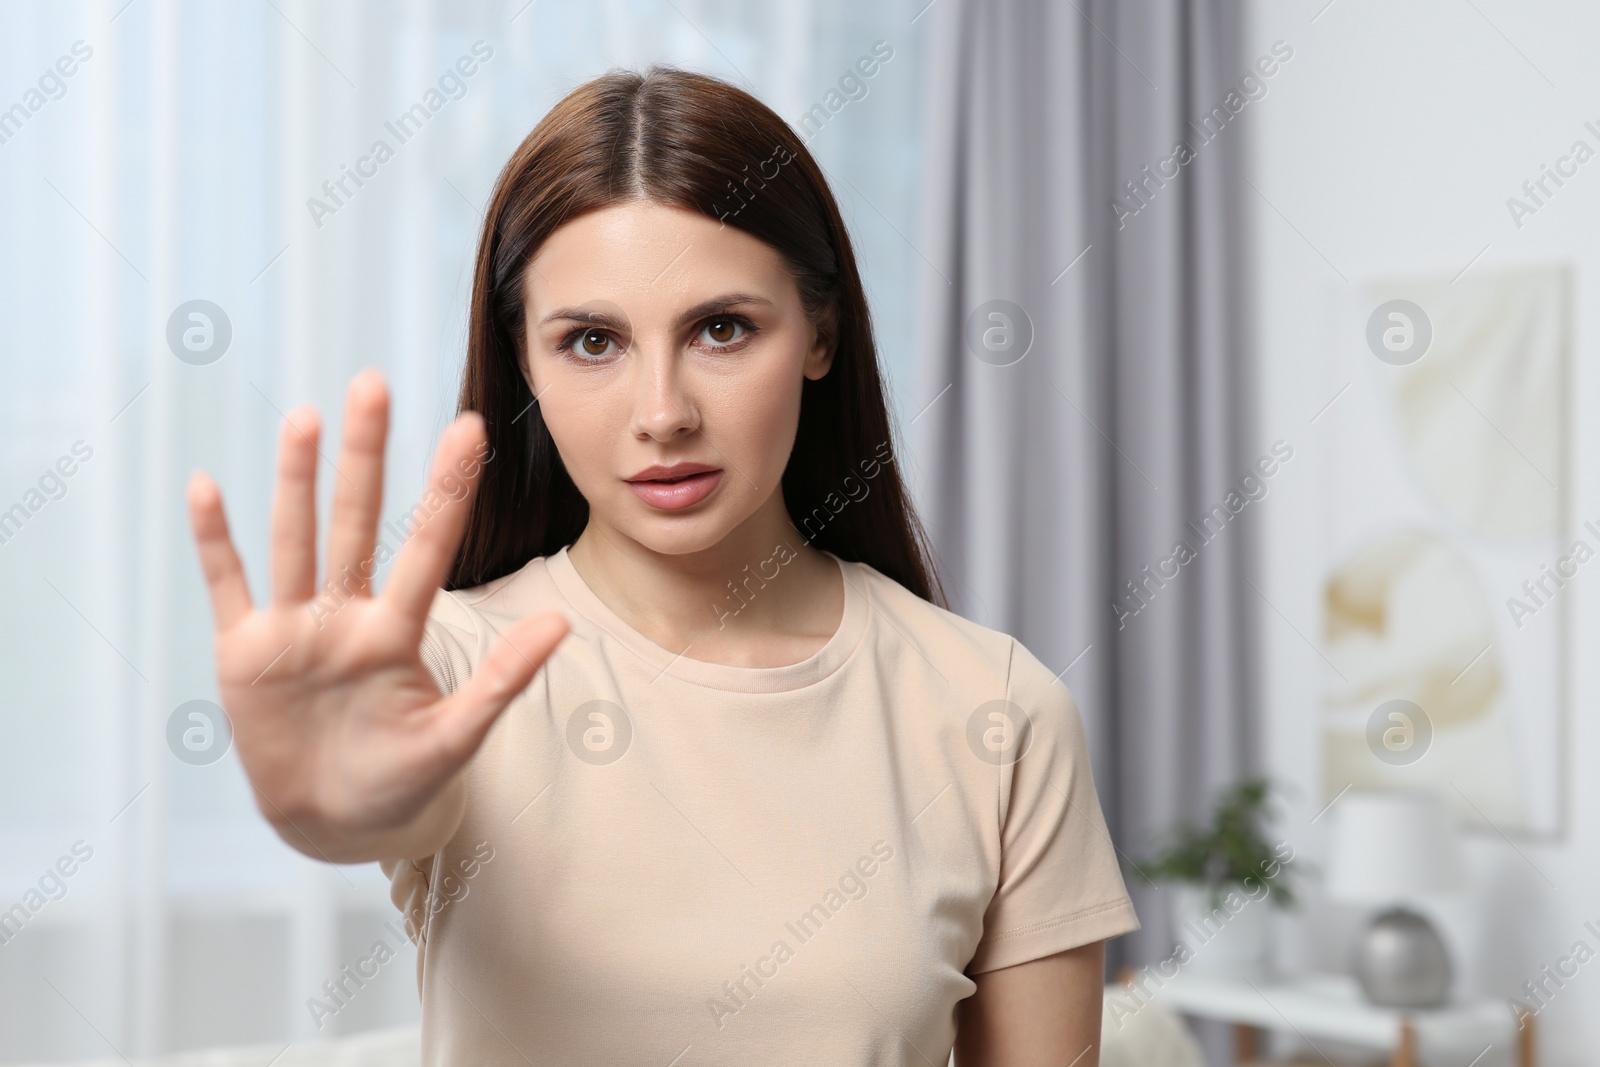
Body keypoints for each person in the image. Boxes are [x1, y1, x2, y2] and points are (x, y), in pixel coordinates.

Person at [186, 66, 1138, 1065]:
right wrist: (330, 803)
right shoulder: (449, 668)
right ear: (525, 365)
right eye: (592, 340)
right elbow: (388, 786)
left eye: (721, 328)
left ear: (819, 331)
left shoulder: (997, 711)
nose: (662, 412)